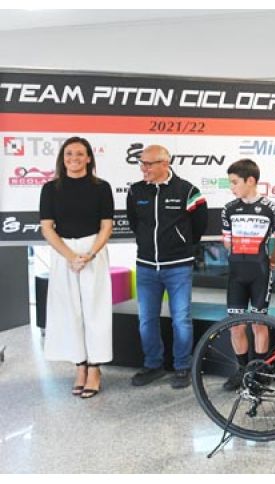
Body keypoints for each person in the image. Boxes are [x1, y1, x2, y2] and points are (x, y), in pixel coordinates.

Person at [126, 145, 208, 389]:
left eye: (148, 164)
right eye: (141, 163)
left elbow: (199, 225)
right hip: (146, 266)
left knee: (181, 319)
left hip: (178, 266)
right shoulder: (135, 191)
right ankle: (153, 365)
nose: (143, 168)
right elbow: (134, 222)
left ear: (165, 163)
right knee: (146, 319)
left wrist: (181, 245)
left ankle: (182, 367)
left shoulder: (188, 190)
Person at [39, 137, 114, 398]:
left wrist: (90, 254)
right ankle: (80, 366)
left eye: (80, 154)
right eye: (69, 153)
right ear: (63, 158)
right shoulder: (50, 188)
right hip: (63, 253)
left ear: (89, 158)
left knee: (95, 311)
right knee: (69, 312)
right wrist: (71, 256)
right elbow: (47, 228)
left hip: (94, 251)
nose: (74, 158)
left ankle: (95, 368)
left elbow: (106, 226)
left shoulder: (101, 187)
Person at [220, 159, 275, 391]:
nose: (232, 187)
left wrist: (272, 261)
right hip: (236, 273)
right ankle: (242, 371)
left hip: (260, 272)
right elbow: (227, 243)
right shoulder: (229, 209)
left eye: (234, 182)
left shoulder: (270, 208)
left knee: (259, 323)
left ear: (250, 181)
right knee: (235, 326)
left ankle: (260, 372)